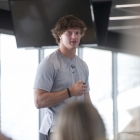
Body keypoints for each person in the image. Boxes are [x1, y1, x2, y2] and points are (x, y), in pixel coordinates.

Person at [33, 15, 92, 140]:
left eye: (77, 33)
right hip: (55, 131)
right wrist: (70, 92)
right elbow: (39, 101)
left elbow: (86, 98)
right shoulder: (49, 63)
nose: (74, 37)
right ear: (60, 35)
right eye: (69, 33)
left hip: (76, 131)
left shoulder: (83, 65)